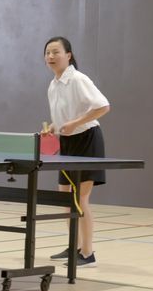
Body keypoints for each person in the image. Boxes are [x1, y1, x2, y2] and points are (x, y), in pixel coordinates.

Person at [42, 36, 110, 268]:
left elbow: (103, 106)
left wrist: (75, 122)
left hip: (87, 140)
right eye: (47, 53)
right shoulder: (53, 84)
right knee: (65, 198)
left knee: (80, 199)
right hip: (67, 143)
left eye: (55, 52)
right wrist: (54, 127)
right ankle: (75, 245)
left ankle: (88, 253)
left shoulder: (79, 79)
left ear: (68, 55)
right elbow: (62, 118)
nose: (50, 57)